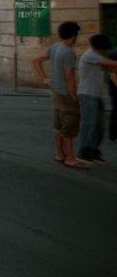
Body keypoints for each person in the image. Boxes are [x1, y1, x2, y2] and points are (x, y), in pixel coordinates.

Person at [32, 21, 85, 168]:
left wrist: (45, 78)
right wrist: (73, 95)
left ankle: (60, 153)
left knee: (58, 123)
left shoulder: (55, 47)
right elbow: (69, 77)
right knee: (69, 123)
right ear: (73, 35)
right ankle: (70, 157)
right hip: (65, 93)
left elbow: (36, 60)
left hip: (55, 91)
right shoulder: (68, 52)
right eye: (76, 35)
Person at [75, 34, 117, 163]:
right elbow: (112, 63)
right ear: (101, 48)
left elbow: (111, 67)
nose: (105, 52)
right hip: (87, 94)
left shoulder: (96, 56)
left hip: (95, 95)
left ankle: (92, 150)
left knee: (99, 125)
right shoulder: (90, 55)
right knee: (89, 124)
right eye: (105, 49)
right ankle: (83, 151)